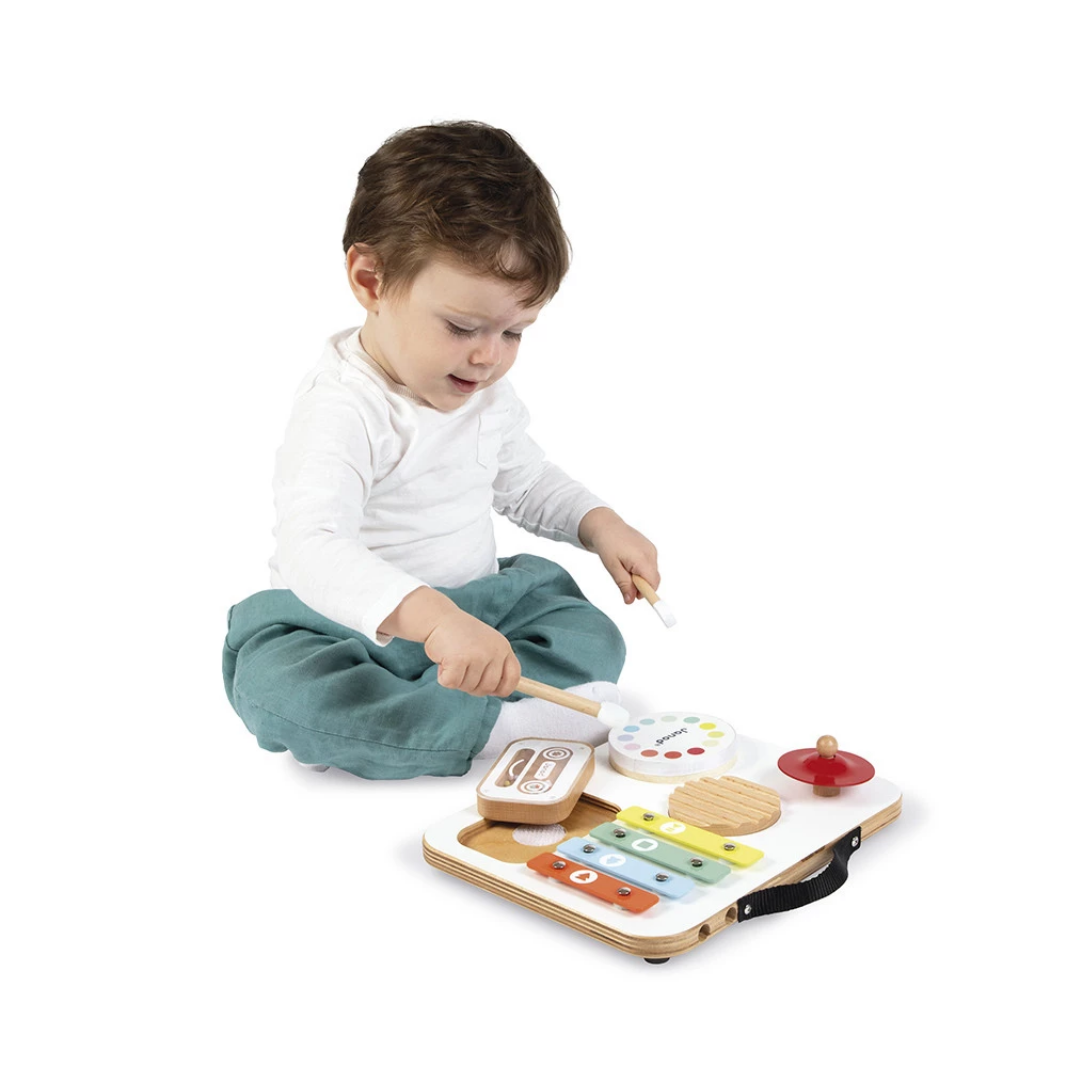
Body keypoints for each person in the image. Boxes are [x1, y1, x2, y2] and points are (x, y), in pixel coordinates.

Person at [222, 120, 662, 779]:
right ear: (370, 280)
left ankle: (459, 713)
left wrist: (600, 525)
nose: (488, 356)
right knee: (278, 693)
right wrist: (428, 620)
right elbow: (311, 546)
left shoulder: (482, 395)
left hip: (478, 611)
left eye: (514, 331)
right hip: (338, 631)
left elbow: (525, 481)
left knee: (586, 629)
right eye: (462, 326)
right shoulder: (342, 408)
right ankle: (492, 725)